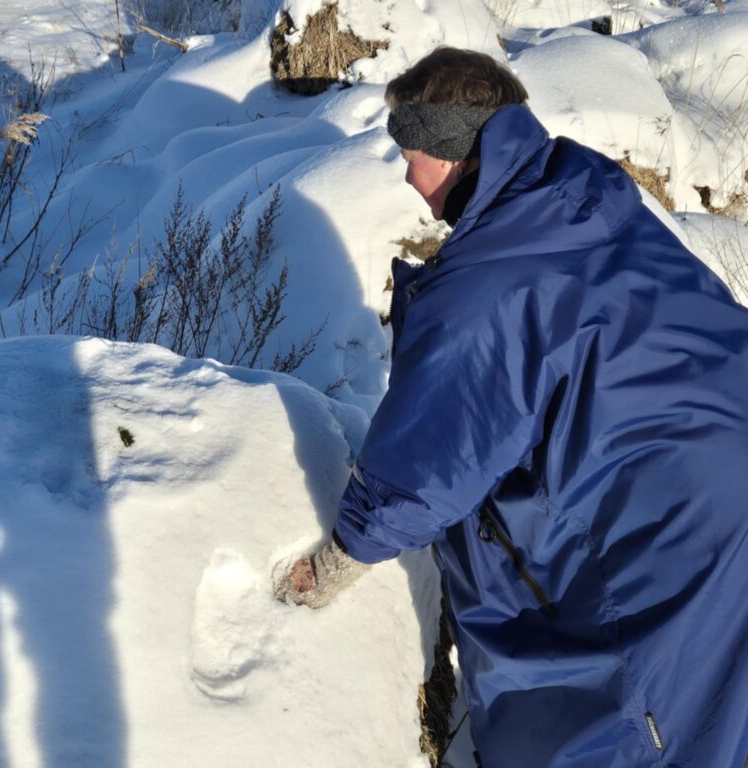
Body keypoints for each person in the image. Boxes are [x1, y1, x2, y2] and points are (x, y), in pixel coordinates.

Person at [274, 47, 748, 767]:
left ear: (454, 147)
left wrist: (339, 559)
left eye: (414, 151)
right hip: (722, 478)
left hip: (667, 533)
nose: (407, 173)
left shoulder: (489, 284)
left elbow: (427, 458)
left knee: (648, 726)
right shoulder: (586, 201)